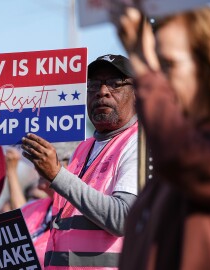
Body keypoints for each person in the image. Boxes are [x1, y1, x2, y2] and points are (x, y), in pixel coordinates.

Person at [109, 4, 210, 270]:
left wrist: (141, 63)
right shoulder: (173, 161)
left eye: (168, 65)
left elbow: (184, 160)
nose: (158, 79)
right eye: (155, 66)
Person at [21, 54, 139, 269]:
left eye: (115, 84)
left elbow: (122, 219)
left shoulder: (139, 142)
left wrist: (57, 175)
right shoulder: (84, 148)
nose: (102, 91)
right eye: (93, 85)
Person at [5, 142, 79, 266]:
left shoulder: (80, 212)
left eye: (46, 160)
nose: (38, 167)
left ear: (69, 166)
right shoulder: (36, 207)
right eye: (37, 161)